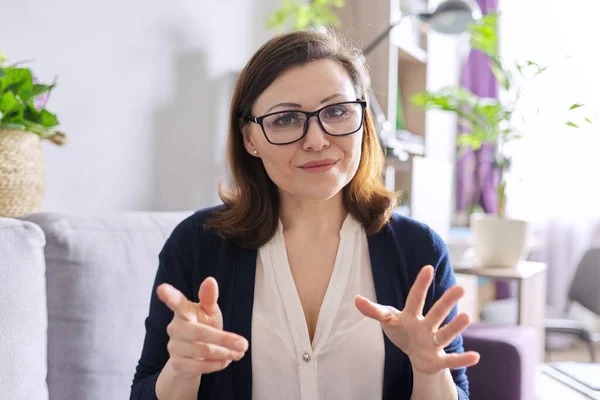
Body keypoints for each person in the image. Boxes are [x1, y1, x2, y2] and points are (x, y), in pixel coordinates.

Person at [130, 29, 480, 400]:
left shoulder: (418, 251)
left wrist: (427, 372)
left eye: (338, 111)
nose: (316, 139)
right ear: (250, 138)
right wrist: (183, 371)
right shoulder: (197, 244)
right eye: (286, 119)